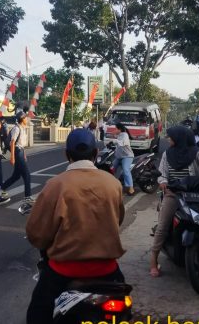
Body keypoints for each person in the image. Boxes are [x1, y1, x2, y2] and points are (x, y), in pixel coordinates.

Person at [25, 129, 125, 324]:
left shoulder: (55, 185)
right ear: (96, 153)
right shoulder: (113, 184)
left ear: (67, 154)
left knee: (36, 315)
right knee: (122, 312)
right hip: (108, 270)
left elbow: (37, 234)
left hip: (63, 271)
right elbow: (118, 220)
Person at [150, 126, 199, 277]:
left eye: (171, 137)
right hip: (173, 194)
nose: (168, 139)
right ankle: (153, 261)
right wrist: (162, 181)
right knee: (162, 226)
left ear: (179, 138)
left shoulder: (197, 152)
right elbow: (162, 173)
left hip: (194, 195)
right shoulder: (167, 154)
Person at [1, 112, 32, 202]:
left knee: (16, 176)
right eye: (26, 118)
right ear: (22, 119)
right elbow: (13, 143)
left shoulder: (22, 128)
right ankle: (27, 197)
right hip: (17, 153)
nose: (27, 119)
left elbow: (21, 144)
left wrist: (24, 154)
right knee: (27, 175)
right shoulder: (16, 128)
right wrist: (12, 157)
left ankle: (2, 188)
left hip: (20, 151)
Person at [113, 123, 135, 196]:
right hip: (119, 157)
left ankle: (131, 187)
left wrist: (114, 141)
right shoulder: (119, 135)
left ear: (119, 129)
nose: (114, 130)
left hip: (127, 156)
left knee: (125, 169)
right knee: (111, 167)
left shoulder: (125, 135)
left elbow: (122, 143)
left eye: (115, 128)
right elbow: (118, 147)